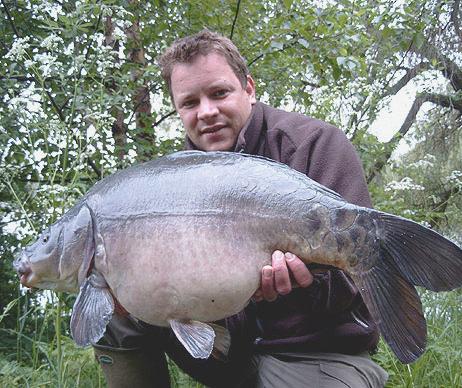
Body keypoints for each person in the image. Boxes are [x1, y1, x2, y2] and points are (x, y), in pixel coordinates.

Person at [93, 30, 388, 387]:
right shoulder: (171, 181)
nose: (207, 112)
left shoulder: (312, 145)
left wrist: (302, 281)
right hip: (225, 346)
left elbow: (352, 291)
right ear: (177, 109)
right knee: (106, 297)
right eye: (189, 103)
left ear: (248, 88)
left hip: (313, 350)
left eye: (219, 93)